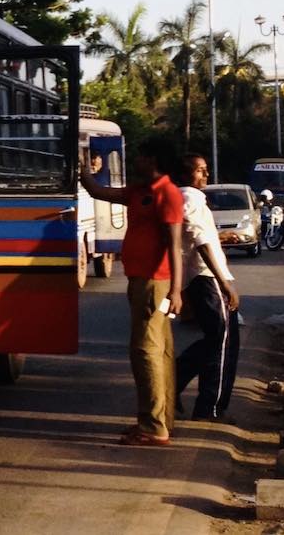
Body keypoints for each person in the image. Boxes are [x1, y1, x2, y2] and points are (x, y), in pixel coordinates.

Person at [81, 136, 183, 446]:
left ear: (152, 160)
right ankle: (159, 420)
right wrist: (82, 168)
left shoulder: (167, 194)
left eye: (140, 156)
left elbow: (174, 246)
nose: (135, 162)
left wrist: (176, 290)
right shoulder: (140, 192)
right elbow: (98, 190)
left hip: (155, 282)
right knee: (159, 351)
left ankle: (153, 427)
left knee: (146, 351)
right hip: (141, 280)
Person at [174, 154, 240, 422]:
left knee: (219, 341)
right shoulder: (190, 197)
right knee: (221, 343)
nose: (205, 175)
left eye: (206, 170)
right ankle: (208, 407)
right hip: (207, 279)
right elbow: (200, 241)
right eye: (200, 171)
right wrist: (225, 284)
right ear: (185, 173)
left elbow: (198, 236)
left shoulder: (189, 198)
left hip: (204, 279)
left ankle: (175, 380)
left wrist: (219, 237)